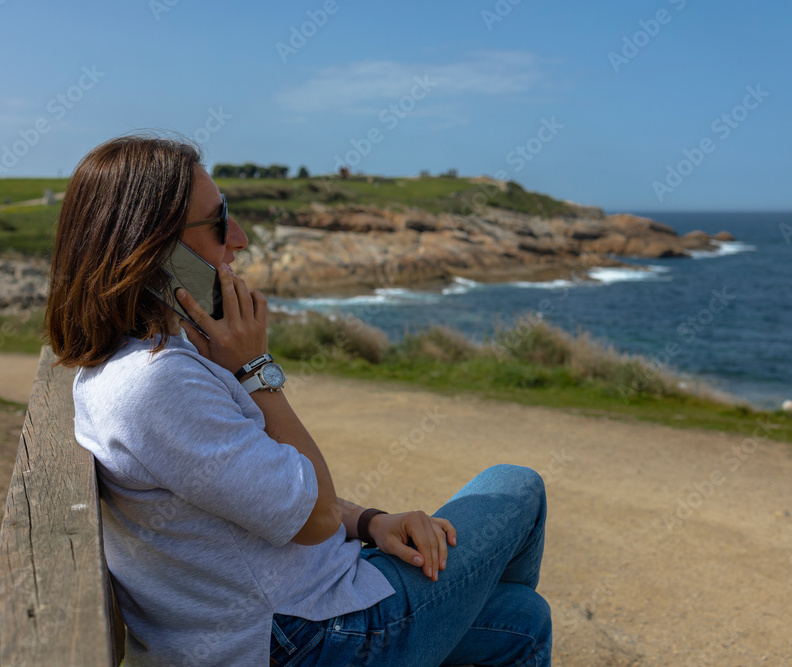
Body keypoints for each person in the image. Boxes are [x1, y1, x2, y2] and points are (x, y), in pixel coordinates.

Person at [45, 133, 551, 666]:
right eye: (219, 223)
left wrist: (371, 520)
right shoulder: (157, 385)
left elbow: (265, 492)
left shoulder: (142, 364)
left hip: (289, 612)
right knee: (517, 486)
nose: (238, 238)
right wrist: (254, 371)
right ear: (156, 252)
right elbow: (312, 520)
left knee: (520, 619)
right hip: (301, 637)